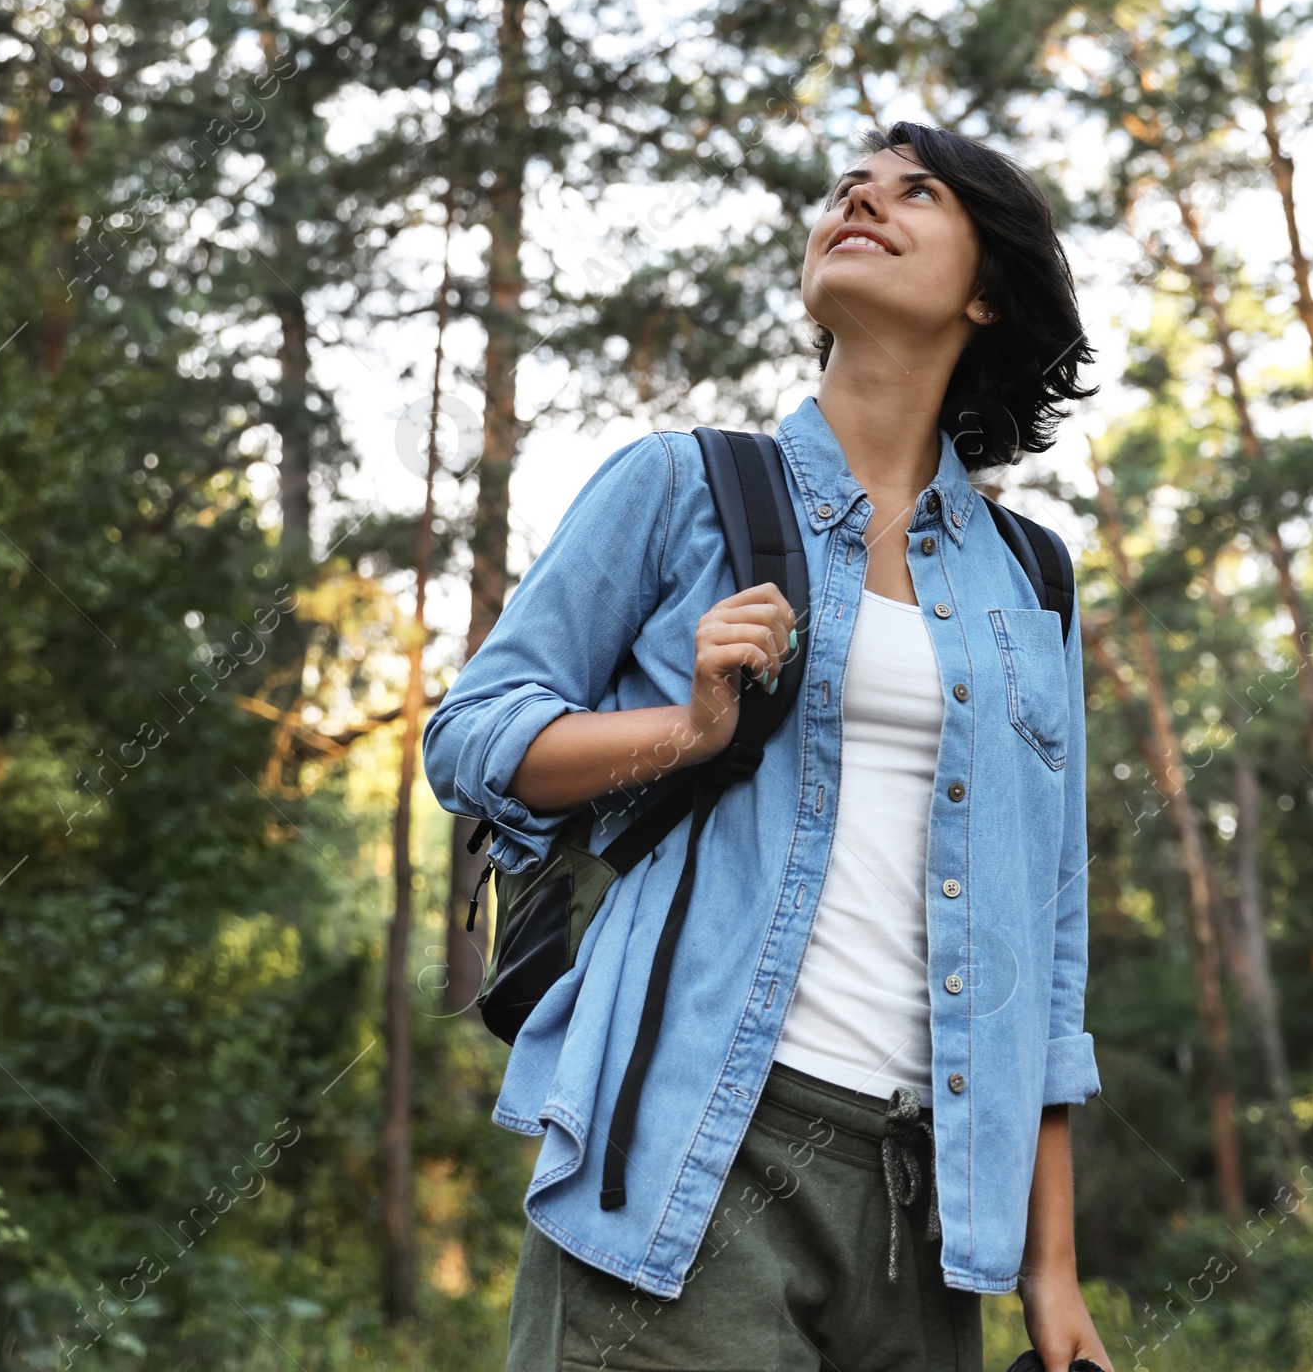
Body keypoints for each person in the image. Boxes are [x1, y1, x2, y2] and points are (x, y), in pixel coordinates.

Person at [425, 122, 1112, 1372]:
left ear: (983, 292)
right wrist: (686, 730)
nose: (862, 196)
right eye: (851, 183)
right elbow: (469, 737)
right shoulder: (684, 486)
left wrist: (1049, 1271)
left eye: (918, 191)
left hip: (926, 1212)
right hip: (692, 1155)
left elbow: (1047, 937)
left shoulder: (1034, 583)